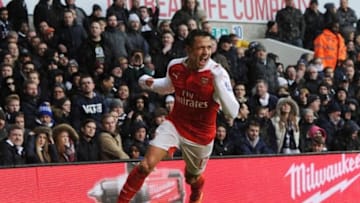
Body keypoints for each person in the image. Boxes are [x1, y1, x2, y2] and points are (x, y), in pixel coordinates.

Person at [117, 30, 239, 203]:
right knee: (145, 166)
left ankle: (197, 194)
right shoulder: (175, 66)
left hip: (200, 135)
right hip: (175, 124)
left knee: (191, 178)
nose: (206, 52)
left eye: (209, 47)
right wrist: (148, 82)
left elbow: (232, 112)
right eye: (200, 48)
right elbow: (168, 86)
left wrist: (218, 84)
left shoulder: (217, 74)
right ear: (188, 50)